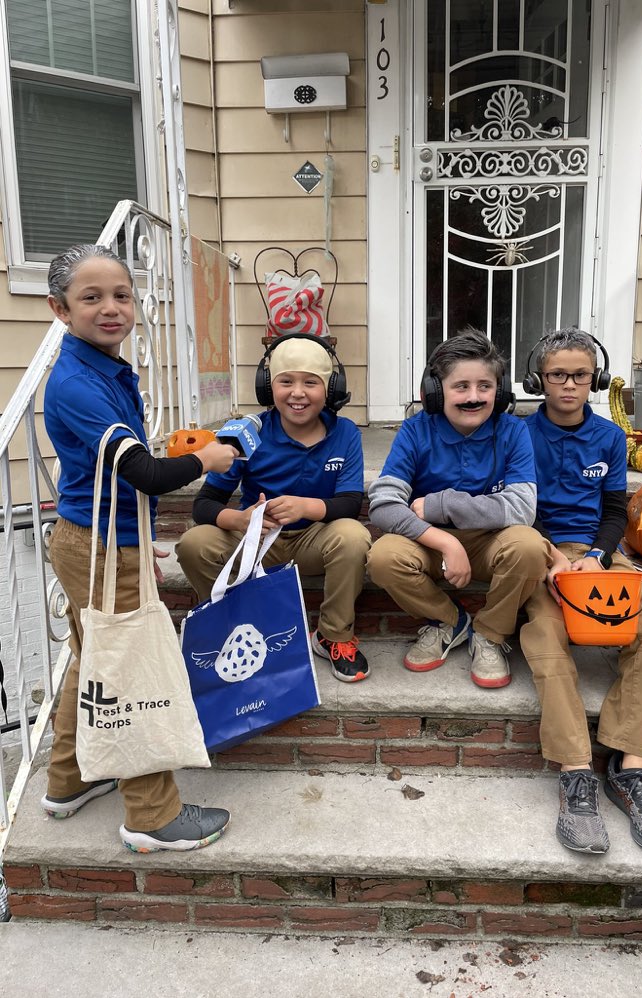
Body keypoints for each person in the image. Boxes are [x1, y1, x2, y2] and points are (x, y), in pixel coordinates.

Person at [42, 244, 239, 853]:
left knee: (94, 658)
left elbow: (115, 479)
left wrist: (135, 539)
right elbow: (146, 475)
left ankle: (70, 779)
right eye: (91, 298)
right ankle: (152, 814)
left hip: (99, 540)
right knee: (129, 672)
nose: (111, 308)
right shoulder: (79, 384)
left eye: (121, 295)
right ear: (60, 309)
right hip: (98, 547)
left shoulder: (102, 367)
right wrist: (207, 459)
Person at [520, 327, 642, 854]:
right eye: (557, 375)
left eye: (580, 375)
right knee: (546, 632)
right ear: (538, 379)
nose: (569, 384)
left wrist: (596, 555)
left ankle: (630, 765)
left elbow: (615, 511)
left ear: (596, 379)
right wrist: (552, 557)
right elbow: (517, 507)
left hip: (598, 551)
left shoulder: (611, 437)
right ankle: (575, 771)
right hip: (540, 549)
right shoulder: (518, 433)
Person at [176, 333, 371, 682]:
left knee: (353, 535)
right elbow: (204, 505)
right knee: (194, 542)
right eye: (286, 382)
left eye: (310, 382)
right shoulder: (248, 433)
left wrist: (304, 507)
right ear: (268, 387)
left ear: (331, 389)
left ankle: (333, 635)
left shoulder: (345, 433)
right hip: (255, 542)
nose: (297, 393)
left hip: (313, 540)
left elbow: (350, 504)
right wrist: (241, 519)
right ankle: (233, 626)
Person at [367, 328, 549, 688]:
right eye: (460, 386)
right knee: (383, 557)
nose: (474, 397)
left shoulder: (513, 431)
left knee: (529, 546)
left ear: (500, 392)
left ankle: (490, 634)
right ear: (435, 391)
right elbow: (383, 504)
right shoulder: (415, 431)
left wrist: (442, 504)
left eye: (485, 386)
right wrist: (446, 542)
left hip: (491, 543)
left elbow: (521, 509)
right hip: (429, 543)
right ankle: (450, 622)